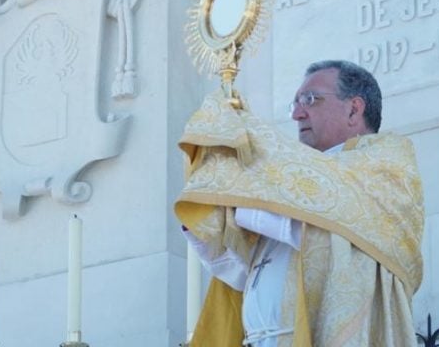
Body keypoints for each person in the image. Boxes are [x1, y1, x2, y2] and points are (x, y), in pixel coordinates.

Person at [175, 60, 424, 347]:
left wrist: (237, 198)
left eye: (310, 99)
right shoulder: (286, 188)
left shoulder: (386, 166)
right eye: (293, 103)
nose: (296, 114)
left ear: (354, 109)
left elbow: (326, 231)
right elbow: (244, 275)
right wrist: (209, 230)